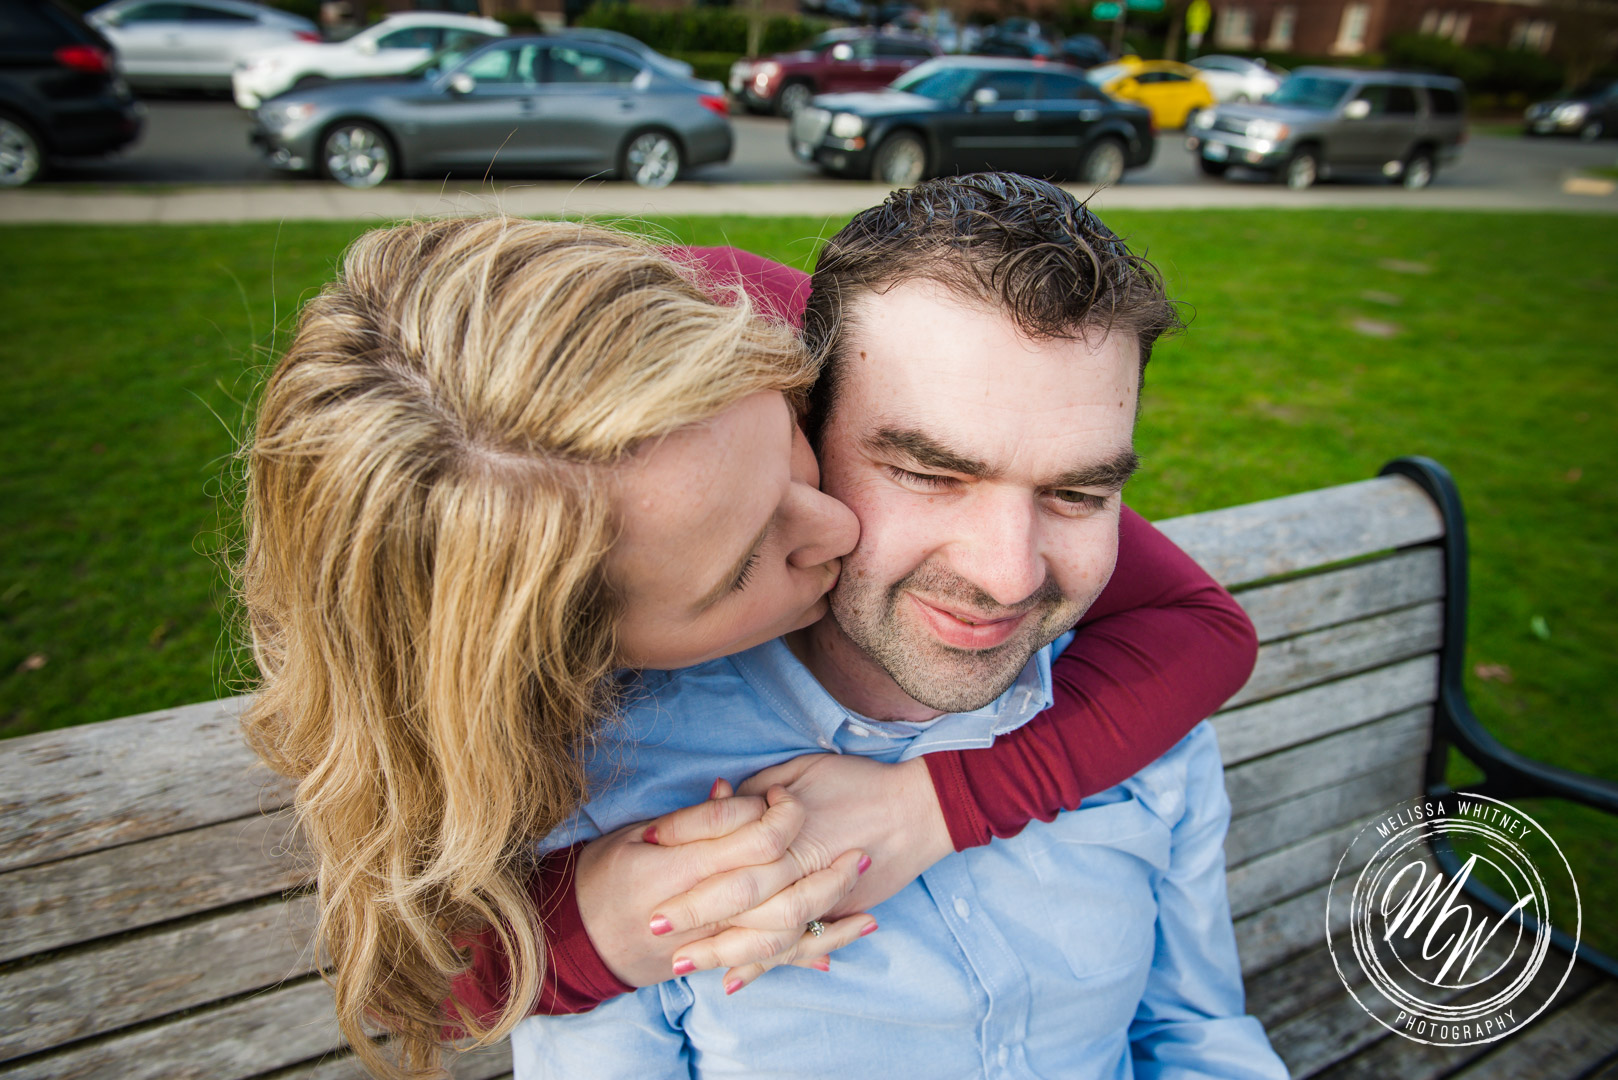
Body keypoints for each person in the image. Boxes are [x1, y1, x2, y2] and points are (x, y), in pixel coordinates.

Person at [238, 215, 1256, 1080]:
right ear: (582, 661)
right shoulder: (605, 767)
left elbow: (1200, 629)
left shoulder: (761, 326)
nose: (836, 528)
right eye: (736, 571)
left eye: (794, 448)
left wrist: (936, 805)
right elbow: (431, 975)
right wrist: (591, 932)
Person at [507, 175, 1288, 1078]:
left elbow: (1198, 1034)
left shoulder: (1140, 717)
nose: (1008, 577)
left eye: (1078, 493)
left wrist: (939, 805)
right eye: (927, 475)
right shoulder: (617, 792)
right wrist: (584, 936)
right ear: (804, 435)